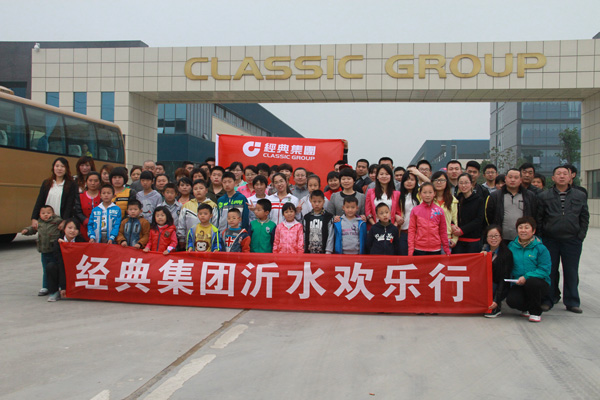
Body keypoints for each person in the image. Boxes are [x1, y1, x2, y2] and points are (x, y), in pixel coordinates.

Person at [537, 165, 589, 313]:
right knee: (549, 271)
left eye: (565, 173)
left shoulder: (580, 195)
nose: (561, 176)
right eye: (558, 174)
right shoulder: (544, 196)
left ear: (570, 176)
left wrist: (580, 236)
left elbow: (584, 217)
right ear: (553, 178)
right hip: (550, 240)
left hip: (572, 240)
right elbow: (539, 218)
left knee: (571, 271)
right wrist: (541, 237)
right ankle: (548, 300)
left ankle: (572, 301)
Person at [506, 217, 551, 322]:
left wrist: (526, 277)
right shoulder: (511, 246)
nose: (523, 230)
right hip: (519, 282)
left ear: (533, 230)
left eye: (527, 228)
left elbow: (544, 270)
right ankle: (526, 307)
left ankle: (535, 312)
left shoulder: (541, 248)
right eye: (520, 227)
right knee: (512, 301)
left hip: (538, 283)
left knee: (532, 283)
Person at [485, 168, 537, 245]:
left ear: (521, 180)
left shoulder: (529, 196)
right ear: (505, 179)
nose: (512, 180)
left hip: (523, 238)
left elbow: (534, 214)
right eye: (510, 177)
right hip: (501, 238)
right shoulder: (495, 196)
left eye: (516, 178)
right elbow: (489, 216)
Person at [21, 205, 62, 296]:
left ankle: (58, 286)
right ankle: (45, 287)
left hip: (54, 251)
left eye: (48, 213)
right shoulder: (39, 223)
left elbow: (64, 226)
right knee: (45, 269)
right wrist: (26, 230)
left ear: (53, 213)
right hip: (43, 251)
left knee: (55, 269)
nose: (46, 215)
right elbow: (32, 229)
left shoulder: (57, 221)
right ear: (39, 214)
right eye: (43, 213)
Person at [31, 157, 78, 232]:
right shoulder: (47, 183)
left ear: (66, 169)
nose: (59, 169)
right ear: (53, 168)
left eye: (62, 166)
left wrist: (65, 221)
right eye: (57, 166)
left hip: (60, 221)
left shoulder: (71, 184)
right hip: (46, 220)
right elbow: (39, 201)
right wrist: (34, 218)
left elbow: (69, 204)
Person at [45, 218, 86, 302]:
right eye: (70, 228)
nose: (72, 231)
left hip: (76, 267)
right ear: (64, 229)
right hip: (62, 266)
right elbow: (60, 262)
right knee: (51, 266)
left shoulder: (81, 241)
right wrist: (63, 287)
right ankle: (54, 292)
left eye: (75, 228)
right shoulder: (58, 242)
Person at [408, 182, 450, 256]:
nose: (427, 195)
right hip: (419, 248)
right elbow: (412, 230)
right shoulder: (415, 210)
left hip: (435, 248)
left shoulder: (439, 211)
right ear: (420, 194)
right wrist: (411, 249)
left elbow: (443, 230)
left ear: (434, 193)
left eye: (430, 192)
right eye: (424, 192)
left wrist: (446, 248)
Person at [483, 225, 513, 318]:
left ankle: (496, 306)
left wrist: (496, 300)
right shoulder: (483, 250)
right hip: (483, 283)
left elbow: (504, 279)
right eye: (490, 236)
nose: (493, 239)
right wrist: (480, 258)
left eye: (496, 236)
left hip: (497, 285)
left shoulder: (506, 254)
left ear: (501, 237)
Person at [177, 179, 217, 249]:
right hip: (190, 241)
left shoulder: (212, 205)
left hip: (208, 242)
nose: (198, 191)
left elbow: (215, 223)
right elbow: (181, 223)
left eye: (201, 188)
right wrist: (181, 239)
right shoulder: (187, 205)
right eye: (195, 189)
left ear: (206, 190)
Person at [452, 173, 485, 254]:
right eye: (461, 183)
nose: (463, 185)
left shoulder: (479, 200)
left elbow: (479, 220)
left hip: (473, 241)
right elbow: (451, 215)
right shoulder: (456, 199)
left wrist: (463, 230)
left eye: (466, 183)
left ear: (471, 184)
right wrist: (452, 225)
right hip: (458, 240)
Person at [431, 171, 458, 251]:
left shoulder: (452, 199)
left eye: (442, 180)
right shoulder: (427, 198)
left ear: (446, 182)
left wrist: (455, 239)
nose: (439, 182)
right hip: (430, 238)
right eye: (436, 180)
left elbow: (455, 220)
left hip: (446, 238)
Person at [303, 190, 334, 254]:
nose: (317, 204)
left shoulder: (328, 217)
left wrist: (328, 251)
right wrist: (303, 248)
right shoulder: (307, 217)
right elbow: (304, 234)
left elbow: (330, 235)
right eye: (314, 201)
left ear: (324, 201)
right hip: (309, 252)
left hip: (324, 252)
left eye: (319, 201)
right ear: (310, 201)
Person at [73, 171, 102, 241]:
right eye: (90, 180)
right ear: (86, 182)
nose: (93, 183)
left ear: (100, 182)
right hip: (83, 228)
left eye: (96, 181)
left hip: (101, 228)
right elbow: (77, 212)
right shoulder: (80, 196)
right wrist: (86, 221)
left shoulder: (103, 196)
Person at [398, 171, 420, 255]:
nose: (409, 182)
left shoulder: (421, 195)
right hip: (403, 231)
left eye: (412, 180)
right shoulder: (399, 196)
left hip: (418, 232)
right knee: (404, 256)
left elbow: (431, 185)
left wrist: (418, 173)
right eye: (406, 180)